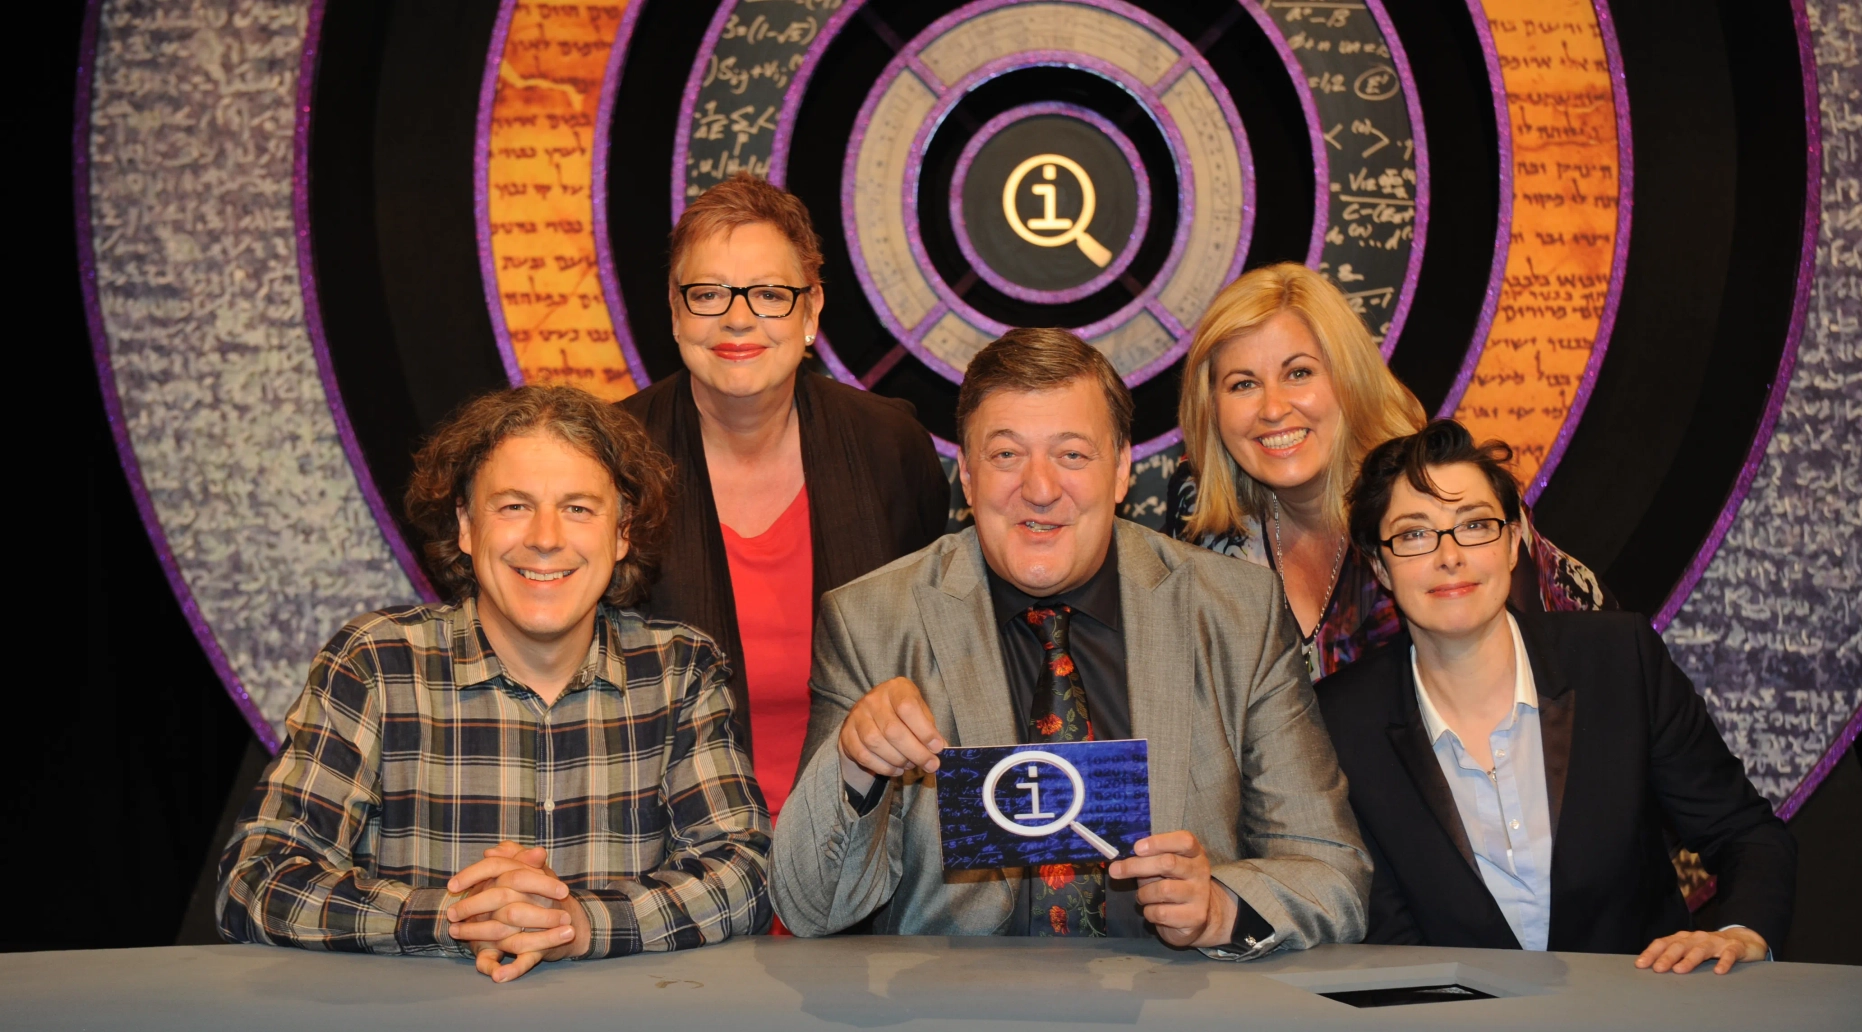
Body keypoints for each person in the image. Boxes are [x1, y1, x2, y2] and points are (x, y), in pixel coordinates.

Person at [770, 328, 1369, 956]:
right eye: (1006, 456)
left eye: (1073, 455)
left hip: (1172, 1022)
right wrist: (857, 764)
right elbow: (813, 906)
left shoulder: (1235, 612)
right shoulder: (872, 621)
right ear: (967, 479)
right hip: (957, 1022)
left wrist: (1221, 905)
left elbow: (1333, 872)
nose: (1040, 488)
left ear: (1121, 471)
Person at [218, 385, 771, 982]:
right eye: (513, 506)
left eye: (579, 508)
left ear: (621, 533)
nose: (545, 537)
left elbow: (745, 873)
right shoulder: (375, 665)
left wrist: (580, 925)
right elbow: (256, 877)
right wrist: (454, 916)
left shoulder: (680, 671)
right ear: (464, 523)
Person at [1315, 421, 1794, 970]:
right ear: (1379, 564)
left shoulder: (1619, 660)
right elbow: (1384, 936)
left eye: (1475, 525)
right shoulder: (1341, 722)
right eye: (1415, 534)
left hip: (1641, 1020)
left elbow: (1745, 833)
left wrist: (1739, 932)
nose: (1449, 556)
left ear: (1514, 541)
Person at [617, 173, 949, 821]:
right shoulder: (607, 460)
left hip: (865, 849)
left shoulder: (890, 448)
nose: (738, 318)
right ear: (676, 310)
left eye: (770, 294)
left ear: (811, 310)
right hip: (663, 851)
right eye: (708, 294)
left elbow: (940, 647)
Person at [1165, 262, 1610, 683]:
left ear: (1350, 379)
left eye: (1299, 373)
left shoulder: (1438, 493)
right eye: (1243, 384)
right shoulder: (1199, 510)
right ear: (1211, 407)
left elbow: (1557, 691)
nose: (1274, 408)